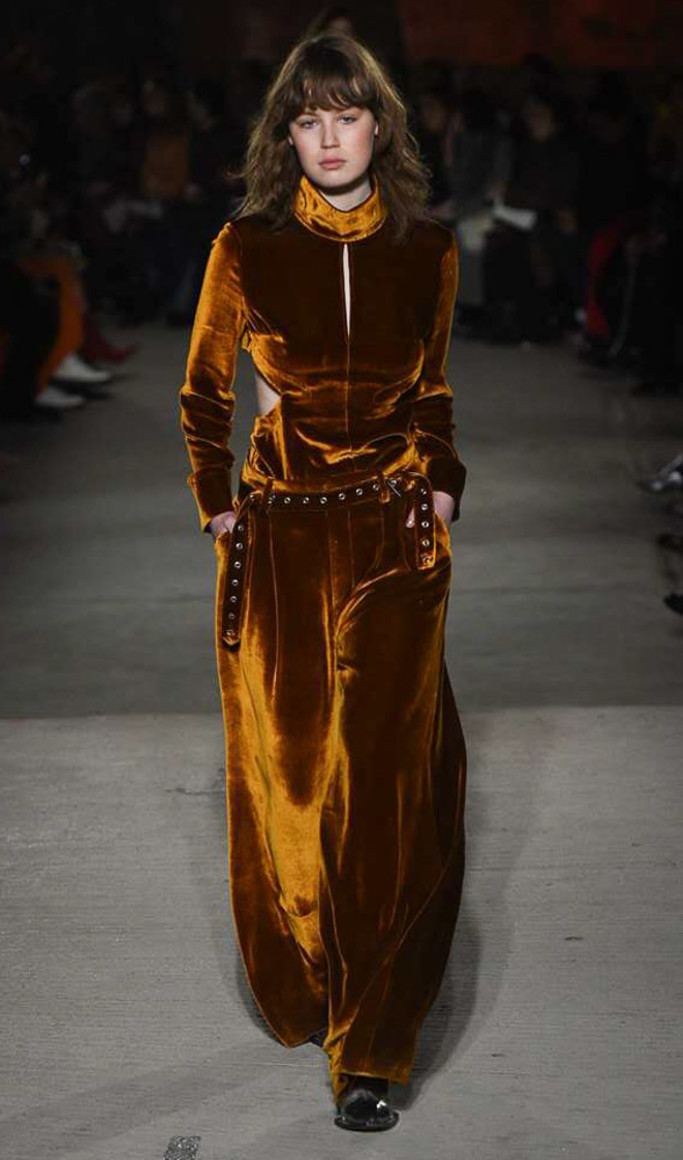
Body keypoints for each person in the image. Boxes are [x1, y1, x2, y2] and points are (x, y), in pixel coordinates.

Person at [177, 32, 468, 1132]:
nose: (330, 137)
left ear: (379, 127)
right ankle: (318, 979)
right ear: (285, 135)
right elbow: (205, 390)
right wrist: (215, 500)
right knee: (297, 785)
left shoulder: (427, 247)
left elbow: (433, 389)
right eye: (310, 118)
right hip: (284, 537)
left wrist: (441, 483)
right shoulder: (247, 245)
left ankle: (372, 1046)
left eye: (348, 115)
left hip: (394, 534)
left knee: (384, 790)